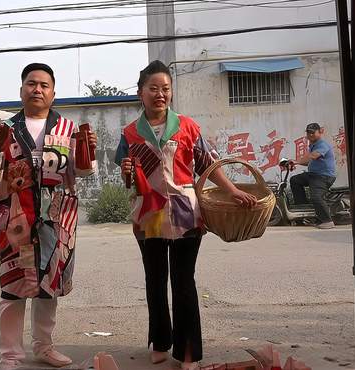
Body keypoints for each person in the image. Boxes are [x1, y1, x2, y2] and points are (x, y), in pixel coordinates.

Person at [114, 60, 257, 370]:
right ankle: (160, 342)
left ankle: (188, 351)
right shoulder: (129, 133)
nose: (160, 94)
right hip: (147, 216)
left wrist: (232, 191)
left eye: (165, 88)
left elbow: (207, 165)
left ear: (171, 93)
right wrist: (126, 172)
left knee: (183, 282)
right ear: (141, 93)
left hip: (186, 214)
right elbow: (128, 178)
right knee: (155, 280)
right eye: (153, 88)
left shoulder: (188, 127)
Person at [0, 63, 97, 370]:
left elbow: (81, 172)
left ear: (53, 94)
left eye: (44, 85)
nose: (37, 89)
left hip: (55, 223)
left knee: (49, 287)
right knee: (13, 289)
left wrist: (87, 152)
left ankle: (44, 347)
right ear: (21, 90)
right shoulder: (5, 129)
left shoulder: (67, 129)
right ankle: (10, 356)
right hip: (15, 222)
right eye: (32, 84)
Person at [287, 122, 337, 229]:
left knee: (316, 197)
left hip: (323, 176)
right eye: (308, 133)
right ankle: (303, 211)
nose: (310, 135)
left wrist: (296, 161)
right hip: (313, 175)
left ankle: (327, 221)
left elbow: (313, 156)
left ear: (319, 132)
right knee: (295, 180)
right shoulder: (313, 145)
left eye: (312, 133)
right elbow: (307, 162)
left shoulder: (322, 145)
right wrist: (295, 162)